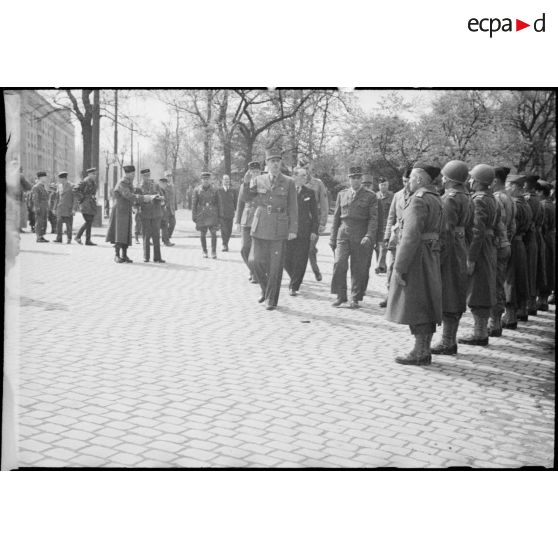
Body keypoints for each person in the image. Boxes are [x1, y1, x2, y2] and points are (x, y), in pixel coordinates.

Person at [385, 164, 443, 366]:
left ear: (418, 180)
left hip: (417, 257)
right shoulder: (435, 198)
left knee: (416, 304)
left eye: (410, 179)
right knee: (427, 302)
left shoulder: (417, 201)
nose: (408, 182)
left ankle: (420, 351)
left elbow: (410, 236)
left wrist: (399, 268)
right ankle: (424, 348)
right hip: (431, 254)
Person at [243, 146, 298, 310]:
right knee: (254, 261)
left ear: (281, 163)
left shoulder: (289, 182)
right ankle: (266, 289)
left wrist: (293, 229)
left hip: (278, 228)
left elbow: (293, 207)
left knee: (275, 267)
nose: (275, 164)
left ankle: (271, 300)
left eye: (277, 161)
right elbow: (246, 198)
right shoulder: (258, 179)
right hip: (260, 226)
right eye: (272, 161)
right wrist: (246, 183)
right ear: (266, 163)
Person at [458, 164, 504, 346]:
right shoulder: (492, 198)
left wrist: (470, 258)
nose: (470, 181)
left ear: (478, 182)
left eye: (472, 179)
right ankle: (481, 330)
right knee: (485, 287)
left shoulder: (478, 200)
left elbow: (477, 231)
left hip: (481, 248)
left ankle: (479, 333)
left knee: (478, 290)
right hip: (489, 247)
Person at [430, 160, 472, 355]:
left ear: (449, 178)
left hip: (449, 250)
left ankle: (447, 341)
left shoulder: (449, 198)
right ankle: (449, 339)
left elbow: (445, 230)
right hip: (461, 247)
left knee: (449, 293)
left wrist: (439, 256)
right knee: (456, 291)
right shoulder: (467, 197)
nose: (443, 179)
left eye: (445, 176)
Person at [329, 165, 378, 309]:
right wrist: (332, 238)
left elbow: (373, 219)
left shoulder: (370, 196)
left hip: (361, 234)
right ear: (348, 179)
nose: (356, 181)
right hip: (343, 233)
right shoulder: (341, 194)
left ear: (361, 179)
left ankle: (355, 297)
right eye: (353, 178)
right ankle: (340, 295)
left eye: (358, 177)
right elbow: (336, 218)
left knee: (358, 268)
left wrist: (369, 235)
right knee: (339, 263)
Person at [106, 165, 159, 263]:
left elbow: (132, 196)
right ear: (127, 174)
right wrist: (143, 198)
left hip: (126, 210)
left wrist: (141, 200)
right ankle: (117, 255)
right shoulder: (122, 182)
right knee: (119, 232)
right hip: (119, 210)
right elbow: (128, 195)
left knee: (126, 233)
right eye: (132, 174)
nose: (134, 176)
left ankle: (124, 255)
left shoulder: (128, 183)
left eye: (134, 174)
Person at [488, 167, 515, 337]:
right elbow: (512, 226)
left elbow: (499, 225)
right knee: (499, 283)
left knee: (494, 284)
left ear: (495, 180)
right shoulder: (509, 198)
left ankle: (494, 322)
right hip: (505, 244)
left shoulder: (497, 198)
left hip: (496, 246)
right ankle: (495, 321)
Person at [502, 175, 531, 329]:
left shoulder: (515, 204)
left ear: (515, 187)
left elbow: (511, 227)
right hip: (519, 243)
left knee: (510, 280)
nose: (506, 188)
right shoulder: (524, 203)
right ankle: (514, 313)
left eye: (508, 185)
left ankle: (510, 316)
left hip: (512, 243)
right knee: (517, 279)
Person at [379, 168, 411, 308]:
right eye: (404, 181)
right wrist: (386, 236)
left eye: (408, 181)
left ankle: (406, 298)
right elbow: (391, 217)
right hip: (397, 236)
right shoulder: (397, 196)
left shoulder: (419, 196)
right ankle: (389, 295)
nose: (406, 184)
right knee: (391, 266)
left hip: (410, 236)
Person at [284, 167, 319, 296]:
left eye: (306, 176)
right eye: (303, 175)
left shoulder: (309, 192)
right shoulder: (287, 191)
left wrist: (314, 230)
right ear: (295, 176)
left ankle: (294, 286)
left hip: (304, 231)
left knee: (301, 259)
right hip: (288, 230)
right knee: (286, 258)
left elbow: (315, 214)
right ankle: (295, 276)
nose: (305, 178)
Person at [523, 174, 545, 316]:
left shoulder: (528, 199)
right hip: (536, 236)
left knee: (527, 271)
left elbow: (526, 220)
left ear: (526, 185)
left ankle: (526, 305)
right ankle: (531, 303)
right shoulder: (538, 199)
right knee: (534, 270)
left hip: (527, 237)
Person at [235, 161, 261, 282]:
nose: (255, 174)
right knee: (245, 248)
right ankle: (252, 269)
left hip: (260, 220)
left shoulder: (264, 183)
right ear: (249, 172)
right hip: (247, 220)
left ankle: (256, 273)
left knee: (257, 250)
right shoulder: (244, 185)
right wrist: (237, 222)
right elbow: (240, 204)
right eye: (252, 172)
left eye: (257, 172)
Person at [304, 164, 329, 281]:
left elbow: (324, 203)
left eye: (306, 168)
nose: (305, 171)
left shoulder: (318, 183)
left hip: (314, 221)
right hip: (300, 222)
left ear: (310, 169)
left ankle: (315, 271)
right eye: (302, 168)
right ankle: (312, 272)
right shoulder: (294, 182)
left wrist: (323, 222)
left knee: (309, 248)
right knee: (305, 249)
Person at [136, 169, 166, 263]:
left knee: (156, 235)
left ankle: (157, 257)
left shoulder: (156, 185)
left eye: (148, 175)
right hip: (145, 214)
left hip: (156, 213)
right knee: (146, 236)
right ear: (142, 177)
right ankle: (146, 256)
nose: (147, 178)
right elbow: (136, 201)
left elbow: (162, 197)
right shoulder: (139, 188)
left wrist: (160, 199)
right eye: (145, 176)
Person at [535, 180, 555, 311]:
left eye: (537, 191)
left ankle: (542, 299)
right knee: (549, 268)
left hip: (543, 238)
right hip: (551, 238)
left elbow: (541, 225)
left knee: (542, 268)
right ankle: (544, 299)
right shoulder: (552, 205)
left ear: (541, 192)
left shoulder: (542, 206)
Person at [192, 171, 221, 258]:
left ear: (210, 180)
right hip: (202, 214)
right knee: (202, 233)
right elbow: (194, 204)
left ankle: (213, 252)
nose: (206, 181)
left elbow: (219, 203)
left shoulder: (215, 189)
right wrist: (194, 216)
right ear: (201, 180)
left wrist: (219, 216)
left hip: (213, 214)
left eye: (207, 179)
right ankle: (204, 251)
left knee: (213, 233)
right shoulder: (197, 190)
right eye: (204, 179)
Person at [74, 167, 98, 245]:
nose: (95, 175)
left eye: (95, 174)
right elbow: (75, 190)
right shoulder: (85, 181)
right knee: (88, 221)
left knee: (89, 222)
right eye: (93, 174)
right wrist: (82, 197)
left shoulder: (93, 181)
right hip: (85, 204)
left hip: (91, 204)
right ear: (89, 174)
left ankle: (87, 240)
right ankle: (78, 236)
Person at [375, 178, 394, 274]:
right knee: (377, 246)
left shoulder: (392, 196)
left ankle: (379, 265)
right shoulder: (375, 196)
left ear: (388, 185)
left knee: (383, 245)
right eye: (382, 185)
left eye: (385, 185)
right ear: (378, 186)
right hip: (377, 224)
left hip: (387, 225)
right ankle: (382, 266)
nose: (383, 187)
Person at [53, 172, 76, 244]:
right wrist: (54, 208)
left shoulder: (72, 186)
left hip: (68, 208)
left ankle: (69, 238)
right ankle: (59, 238)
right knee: (59, 224)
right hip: (60, 208)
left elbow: (75, 198)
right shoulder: (59, 186)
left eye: (60, 179)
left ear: (64, 178)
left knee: (69, 224)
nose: (59, 180)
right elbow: (57, 198)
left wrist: (74, 208)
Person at [217, 174, 238, 252]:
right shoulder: (218, 190)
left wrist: (235, 211)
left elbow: (236, 202)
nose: (226, 181)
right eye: (225, 179)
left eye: (228, 180)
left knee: (229, 230)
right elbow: (216, 202)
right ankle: (224, 244)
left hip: (230, 214)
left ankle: (226, 243)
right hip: (222, 214)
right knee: (223, 230)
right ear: (222, 181)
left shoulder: (233, 191)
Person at [31, 171, 50, 243]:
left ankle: (41, 236)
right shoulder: (36, 187)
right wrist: (37, 207)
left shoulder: (42, 186)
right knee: (39, 221)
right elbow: (35, 198)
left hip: (44, 206)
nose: (46, 178)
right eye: (44, 177)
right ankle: (38, 237)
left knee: (44, 221)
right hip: (40, 206)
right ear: (40, 178)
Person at [159, 176, 176, 247]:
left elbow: (173, 198)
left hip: (170, 209)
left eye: (165, 183)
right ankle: (166, 240)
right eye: (163, 183)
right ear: (160, 183)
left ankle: (166, 238)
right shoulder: (158, 190)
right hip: (162, 210)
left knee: (173, 223)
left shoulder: (170, 187)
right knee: (164, 225)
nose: (165, 184)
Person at [18, 167, 33, 232]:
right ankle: (19, 228)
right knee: (21, 213)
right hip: (19, 198)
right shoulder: (20, 176)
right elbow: (28, 186)